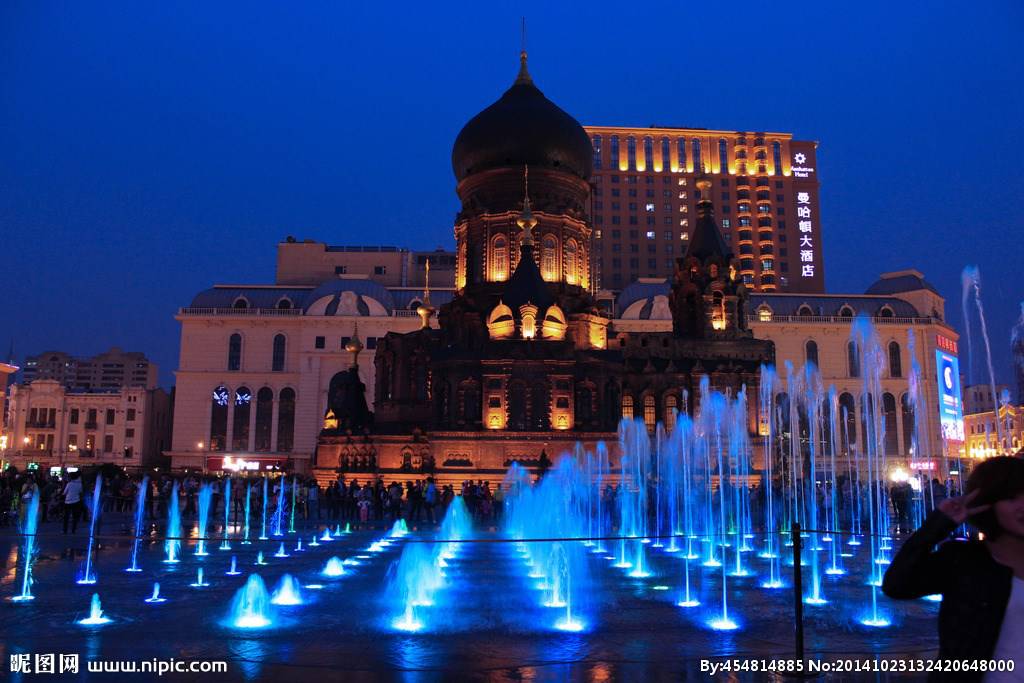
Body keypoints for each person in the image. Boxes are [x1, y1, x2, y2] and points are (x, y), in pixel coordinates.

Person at [882, 456, 1024, 680]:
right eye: (1011, 498)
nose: (1022, 505)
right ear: (988, 503)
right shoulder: (964, 560)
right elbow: (897, 584)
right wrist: (939, 524)